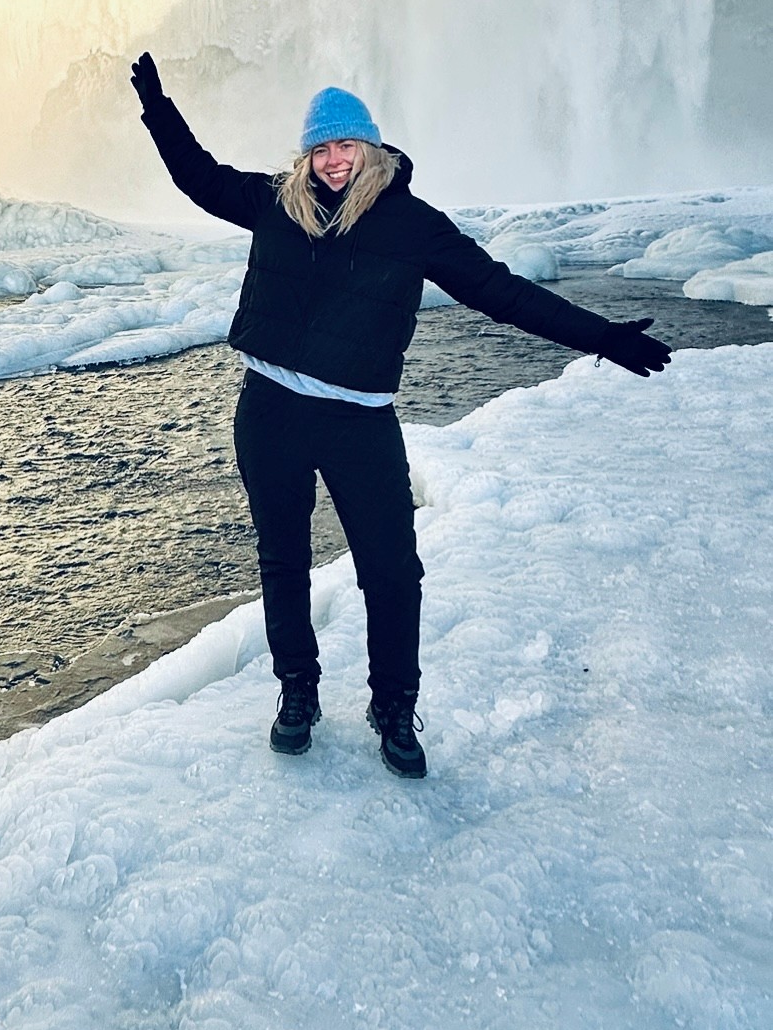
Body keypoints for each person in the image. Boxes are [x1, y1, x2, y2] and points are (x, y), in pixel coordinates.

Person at [130, 53, 671, 778]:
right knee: (282, 561)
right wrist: (160, 111)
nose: (332, 161)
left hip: (360, 422)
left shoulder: (413, 224)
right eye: (319, 148)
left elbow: (500, 292)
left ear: (372, 148)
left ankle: (393, 706)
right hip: (270, 412)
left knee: (392, 572)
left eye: (344, 145)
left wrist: (601, 337)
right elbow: (198, 176)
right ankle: (297, 692)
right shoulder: (274, 202)